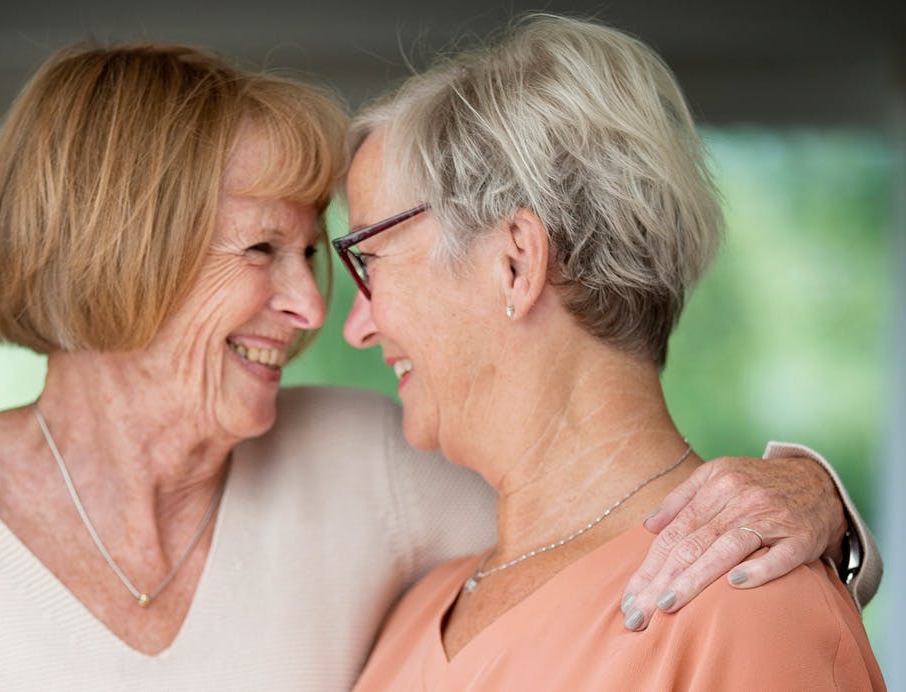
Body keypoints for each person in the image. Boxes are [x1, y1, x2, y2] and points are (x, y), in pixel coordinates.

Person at [0, 41, 876, 691]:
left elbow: (618, 482)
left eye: (331, 252)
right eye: (263, 251)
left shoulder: (366, 464)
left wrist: (818, 501)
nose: (321, 309)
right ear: (121, 254)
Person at [342, 15, 885, 690]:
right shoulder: (412, 616)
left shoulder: (750, 605)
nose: (355, 326)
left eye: (367, 260)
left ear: (515, 262)